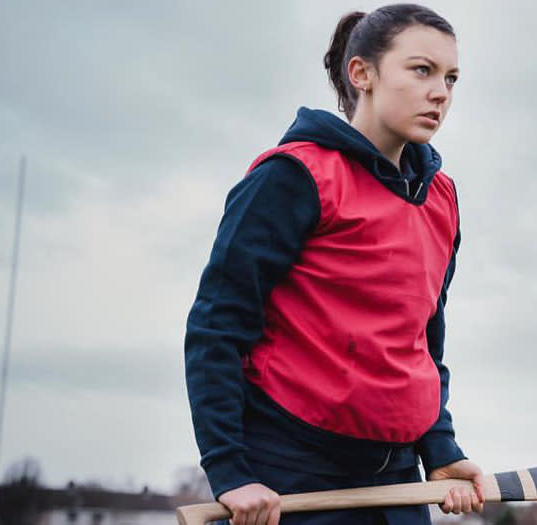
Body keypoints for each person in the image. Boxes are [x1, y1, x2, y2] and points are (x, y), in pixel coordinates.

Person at [183, 4, 483, 524]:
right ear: (361, 73)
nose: (441, 92)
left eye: (451, 78)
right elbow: (218, 326)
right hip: (292, 475)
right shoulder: (292, 176)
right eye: (422, 70)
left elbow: (423, 341)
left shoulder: (442, 198)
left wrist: (441, 448)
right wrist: (230, 471)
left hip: (396, 481)